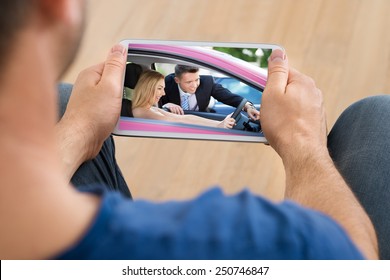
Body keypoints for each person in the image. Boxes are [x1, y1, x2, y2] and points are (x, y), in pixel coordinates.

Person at [0, 0, 386, 260]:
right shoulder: (252, 235)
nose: (188, 86)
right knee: (376, 118)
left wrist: (80, 129)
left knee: (67, 103)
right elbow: (353, 258)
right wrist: (304, 144)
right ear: (55, 6)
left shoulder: (201, 89)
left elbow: (206, 102)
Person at [131, 70, 236, 129]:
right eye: (159, 88)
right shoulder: (140, 111)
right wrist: (218, 125)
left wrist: (219, 124)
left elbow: (185, 118)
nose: (163, 93)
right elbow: (178, 120)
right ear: (147, 89)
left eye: (163, 88)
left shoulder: (151, 109)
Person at [160, 65, 260, 120]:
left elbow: (228, 97)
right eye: (189, 82)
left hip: (202, 123)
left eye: (196, 80)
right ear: (177, 80)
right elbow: (151, 105)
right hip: (173, 124)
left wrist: (248, 107)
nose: (194, 85)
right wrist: (166, 105)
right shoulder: (166, 85)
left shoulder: (207, 82)